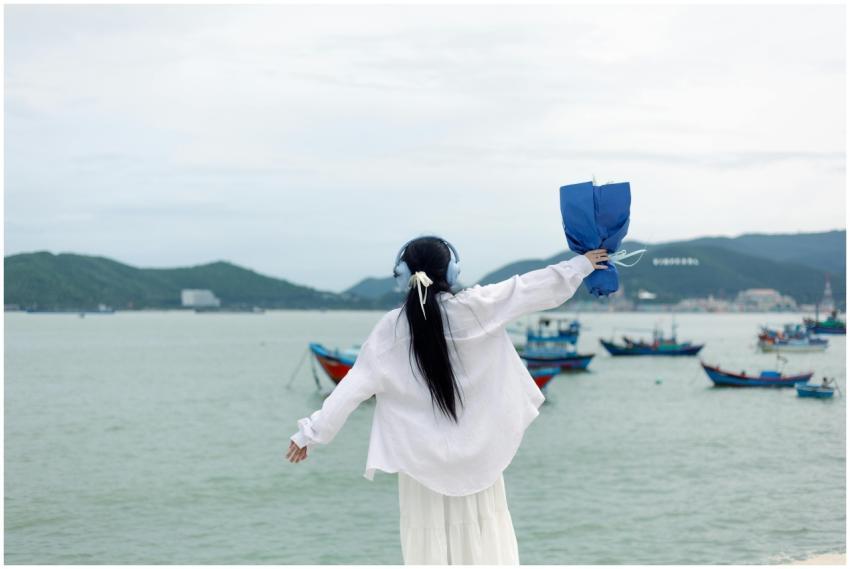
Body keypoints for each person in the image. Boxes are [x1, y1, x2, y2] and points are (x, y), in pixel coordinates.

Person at [285, 236, 607, 565]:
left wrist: (310, 434)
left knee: (428, 547)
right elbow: (530, 287)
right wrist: (581, 264)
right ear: (452, 271)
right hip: (479, 456)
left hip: (421, 465)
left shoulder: (390, 329)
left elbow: (351, 388)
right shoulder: (477, 306)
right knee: (484, 539)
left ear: (403, 274)